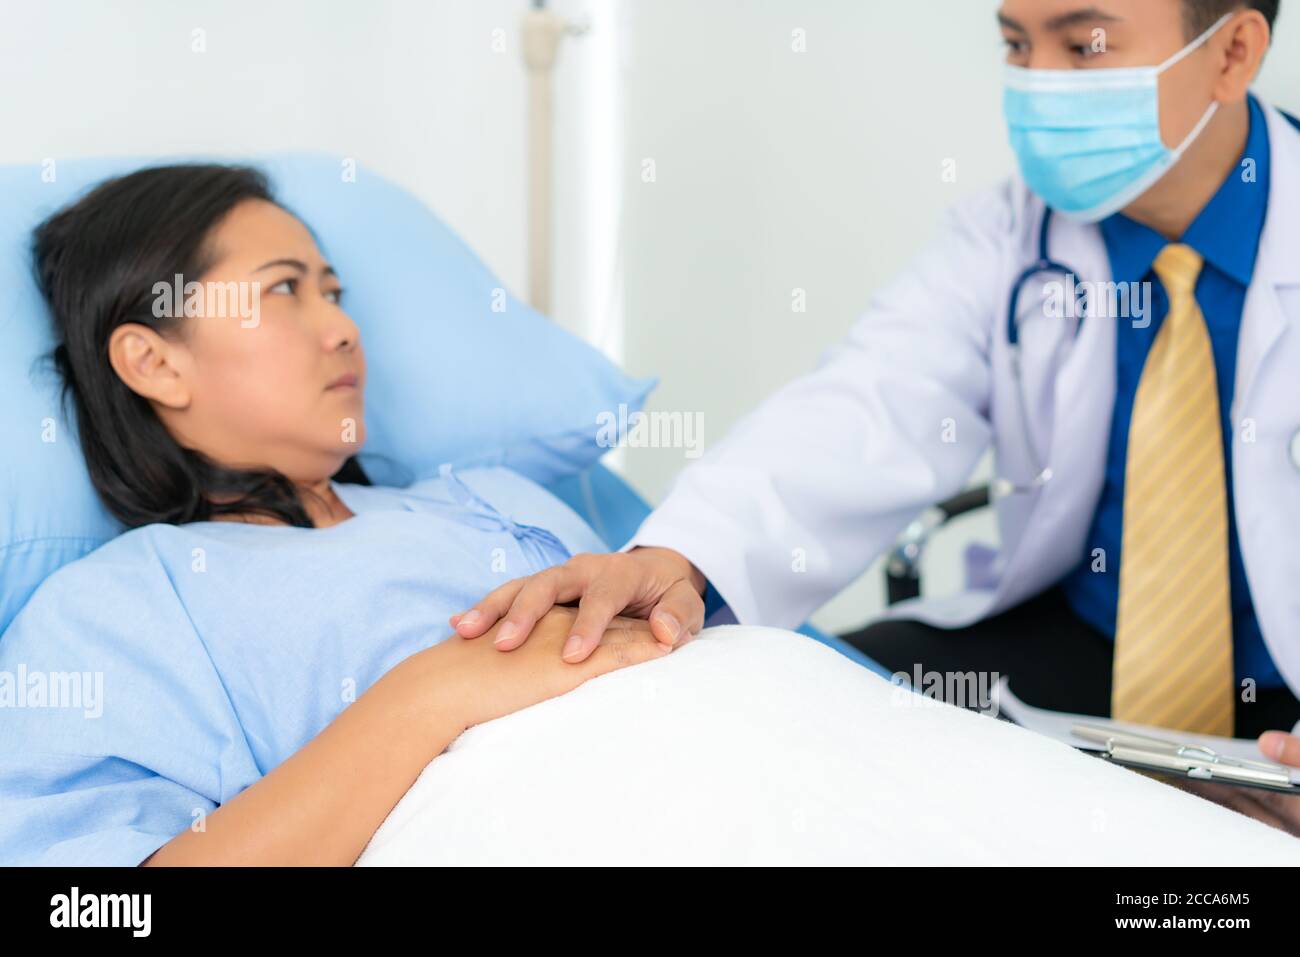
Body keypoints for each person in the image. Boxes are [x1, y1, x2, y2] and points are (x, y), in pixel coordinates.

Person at [452, 0, 1300, 832]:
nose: (1039, 84)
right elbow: (867, 404)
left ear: (1232, 52)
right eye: (1015, 44)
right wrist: (685, 555)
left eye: (1082, 45)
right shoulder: (1002, 240)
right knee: (804, 703)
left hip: (1282, 688)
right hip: (1089, 639)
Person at [0, 164, 673, 865]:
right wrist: (428, 693)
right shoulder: (122, 609)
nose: (345, 328)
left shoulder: (495, 494)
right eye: (284, 288)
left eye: (333, 292)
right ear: (154, 363)